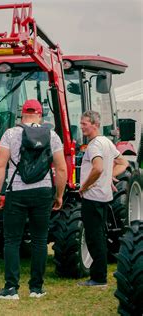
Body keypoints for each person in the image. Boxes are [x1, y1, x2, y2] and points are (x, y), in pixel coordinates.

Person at [0, 99, 67, 299]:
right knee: (40, 240)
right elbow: (61, 168)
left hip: (16, 191)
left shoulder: (10, 134)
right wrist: (58, 195)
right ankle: (36, 288)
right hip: (43, 192)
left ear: (22, 114)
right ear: (40, 115)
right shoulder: (52, 136)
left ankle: (11, 288)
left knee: (12, 240)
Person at [77, 110, 128, 287]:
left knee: (94, 237)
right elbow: (123, 163)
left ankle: (98, 278)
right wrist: (109, 177)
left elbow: (97, 168)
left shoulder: (94, 145)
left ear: (95, 125)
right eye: (81, 123)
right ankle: (100, 275)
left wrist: (83, 186)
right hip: (103, 197)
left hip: (93, 197)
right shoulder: (107, 141)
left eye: (84, 123)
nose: (81, 126)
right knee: (99, 235)